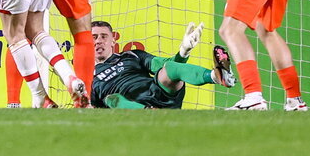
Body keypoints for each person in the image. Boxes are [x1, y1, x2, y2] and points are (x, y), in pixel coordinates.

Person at [90, 20, 235, 109]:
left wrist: (184, 51)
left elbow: (167, 65)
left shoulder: (131, 55)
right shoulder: (88, 78)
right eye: (94, 37)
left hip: (159, 96)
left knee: (169, 69)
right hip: (132, 111)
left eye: (104, 36)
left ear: (113, 41)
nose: (98, 41)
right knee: (112, 99)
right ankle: (148, 114)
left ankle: (217, 76)